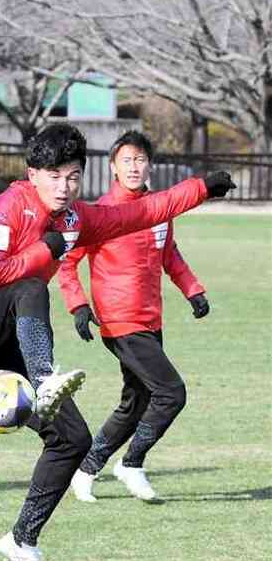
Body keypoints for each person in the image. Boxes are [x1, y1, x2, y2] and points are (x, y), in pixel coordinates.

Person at [0, 123, 234, 561]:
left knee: (72, 439)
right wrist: (45, 250)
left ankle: (21, 539)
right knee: (32, 284)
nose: (64, 186)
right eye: (53, 175)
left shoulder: (75, 218)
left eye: (73, 176)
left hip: (8, 345)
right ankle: (44, 375)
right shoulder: (8, 207)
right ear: (32, 174)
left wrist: (200, 189)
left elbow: (140, 213)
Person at [61, 130, 210, 503]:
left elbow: (169, 254)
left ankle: (87, 469)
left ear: (150, 165)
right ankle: (131, 464)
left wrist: (193, 289)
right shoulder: (102, 213)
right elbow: (67, 263)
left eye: (140, 159)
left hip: (150, 318)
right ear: (112, 166)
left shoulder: (159, 208)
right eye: (126, 160)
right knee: (171, 393)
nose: (133, 166)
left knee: (136, 401)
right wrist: (78, 305)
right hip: (119, 320)